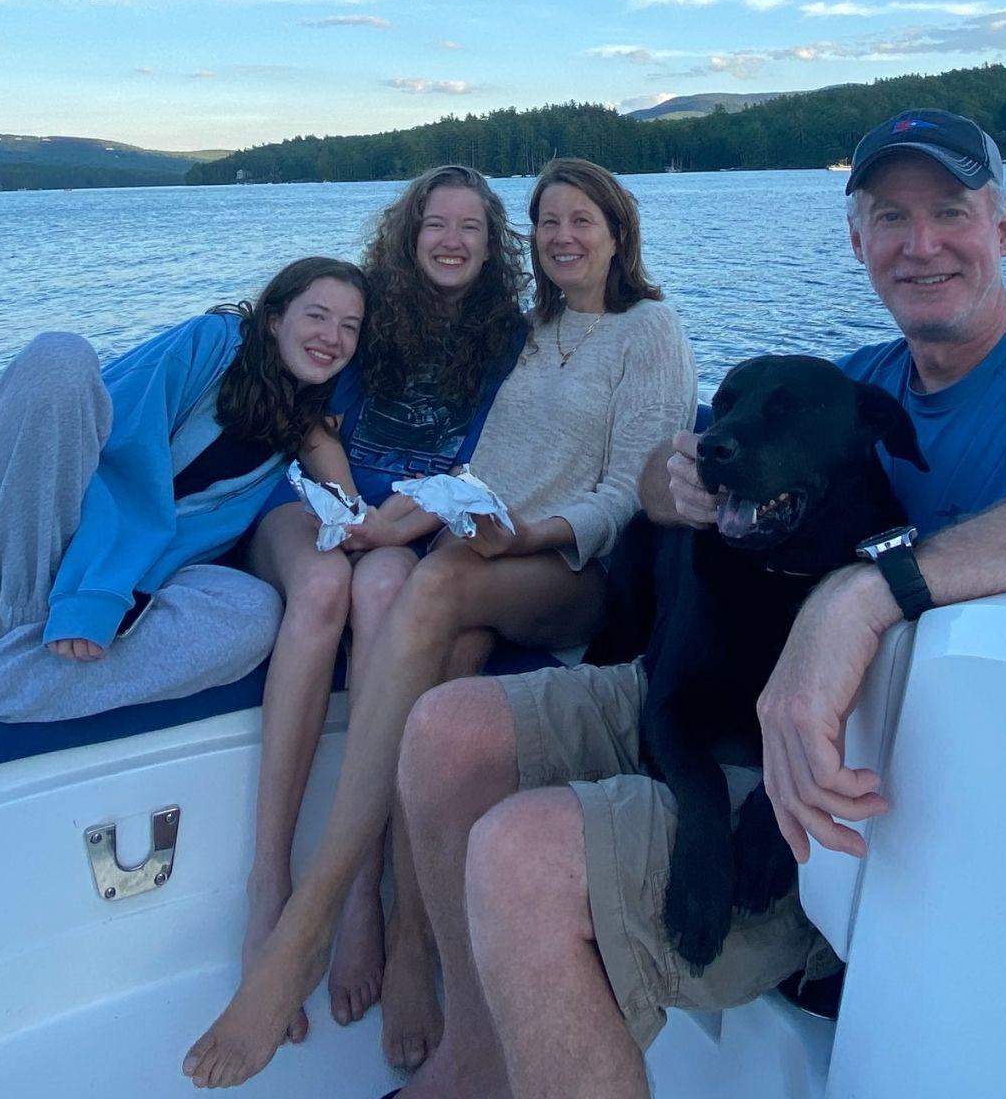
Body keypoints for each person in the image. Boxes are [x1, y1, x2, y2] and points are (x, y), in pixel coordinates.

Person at [392, 110, 1006, 1099]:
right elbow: (688, 456)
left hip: (875, 800)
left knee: (522, 855)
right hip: (750, 710)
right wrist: (669, 480)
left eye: (950, 212)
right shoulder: (850, 387)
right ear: (857, 242)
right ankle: (469, 1072)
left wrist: (875, 588)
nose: (920, 242)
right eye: (890, 216)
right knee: (445, 732)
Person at [184, 158, 698, 1090]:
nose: (563, 238)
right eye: (548, 223)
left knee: (430, 593)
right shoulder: (534, 333)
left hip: (575, 568)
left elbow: (633, 489)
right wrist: (465, 523)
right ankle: (410, 935)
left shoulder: (649, 329)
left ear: (619, 231)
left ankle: (318, 912)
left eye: (582, 220)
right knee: (451, 650)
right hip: (486, 551)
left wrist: (529, 534)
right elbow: (479, 465)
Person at [0, 256, 367, 764]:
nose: (332, 337)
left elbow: (325, 457)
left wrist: (364, 516)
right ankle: (34, 638)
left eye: (349, 326)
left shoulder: (299, 415)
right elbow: (117, 460)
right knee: (60, 358)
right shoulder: (211, 347)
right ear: (273, 319)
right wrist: (94, 596)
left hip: (99, 596)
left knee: (254, 615)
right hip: (0, 552)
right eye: (317, 315)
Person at [236, 167, 529, 1057]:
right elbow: (312, 417)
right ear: (409, 235)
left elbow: (483, 460)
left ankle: (364, 891)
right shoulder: (369, 311)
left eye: (467, 228)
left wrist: (390, 524)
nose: (449, 240)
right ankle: (269, 881)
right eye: (433, 224)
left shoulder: (508, 336)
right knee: (329, 584)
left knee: (382, 586)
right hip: (316, 498)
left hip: (407, 523)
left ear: (489, 244)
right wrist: (350, 503)